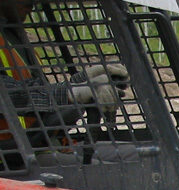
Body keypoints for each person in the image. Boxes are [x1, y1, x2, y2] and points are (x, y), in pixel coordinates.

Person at [1, 1, 128, 150]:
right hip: (14, 158)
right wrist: (71, 92)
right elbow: (7, 94)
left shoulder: (14, 38)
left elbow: (39, 94)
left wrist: (81, 82)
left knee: (139, 154)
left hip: (40, 146)